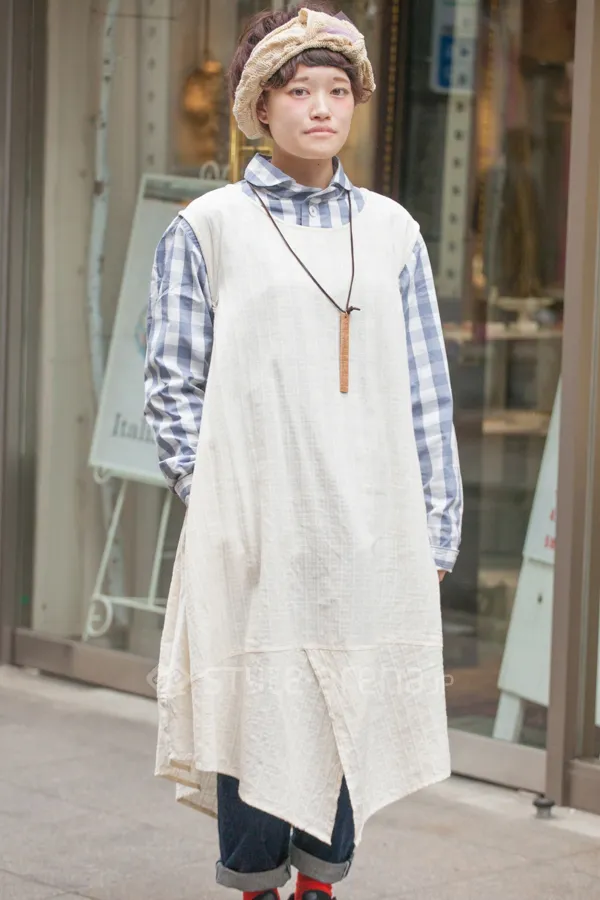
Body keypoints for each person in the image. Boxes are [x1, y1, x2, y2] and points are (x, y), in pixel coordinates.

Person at [144, 4, 463, 900]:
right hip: (256, 528)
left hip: (368, 525)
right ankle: (255, 885)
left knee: (350, 707)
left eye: (337, 90)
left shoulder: (394, 231)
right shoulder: (210, 226)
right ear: (260, 105)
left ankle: (320, 885)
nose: (321, 107)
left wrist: (436, 525)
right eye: (298, 90)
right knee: (256, 710)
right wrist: (216, 501)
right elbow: (173, 382)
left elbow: (426, 389)